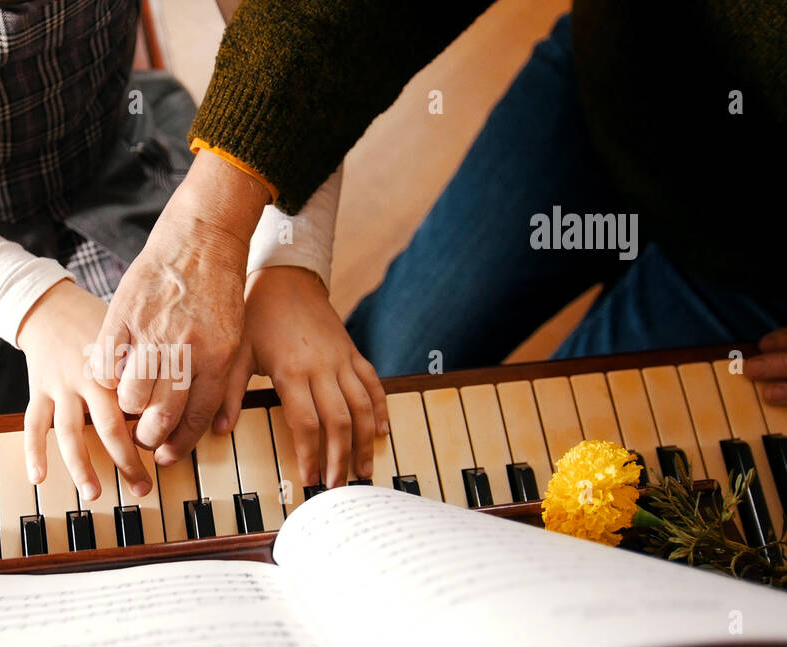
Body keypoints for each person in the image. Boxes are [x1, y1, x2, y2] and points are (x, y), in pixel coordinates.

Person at [104, 0, 787, 471]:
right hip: (611, 93)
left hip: (760, 271)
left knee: (560, 485)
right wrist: (216, 222)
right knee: (381, 384)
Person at [0, 0, 380, 501]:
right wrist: (36, 305)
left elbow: (297, 39)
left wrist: (287, 264)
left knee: (192, 443)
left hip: (105, 171)